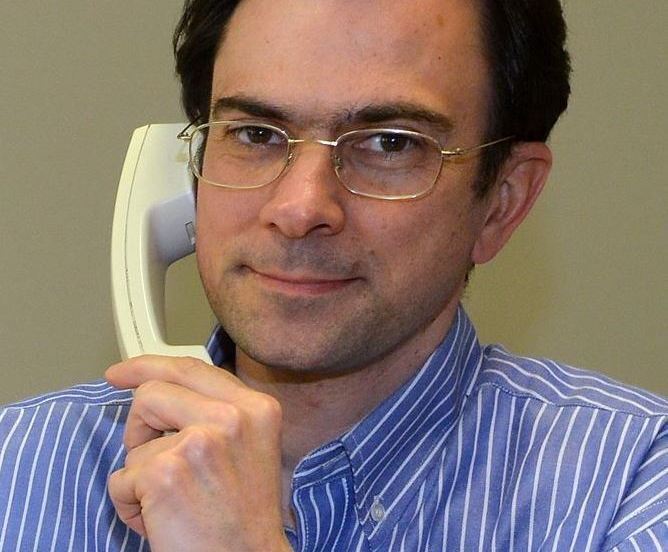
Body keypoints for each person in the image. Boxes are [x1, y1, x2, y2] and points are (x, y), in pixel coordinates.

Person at [1, 0, 666, 550]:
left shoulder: (631, 486)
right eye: (256, 134)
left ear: (502, 202)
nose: (299, 210)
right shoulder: (18, 468)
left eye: (390, 143)